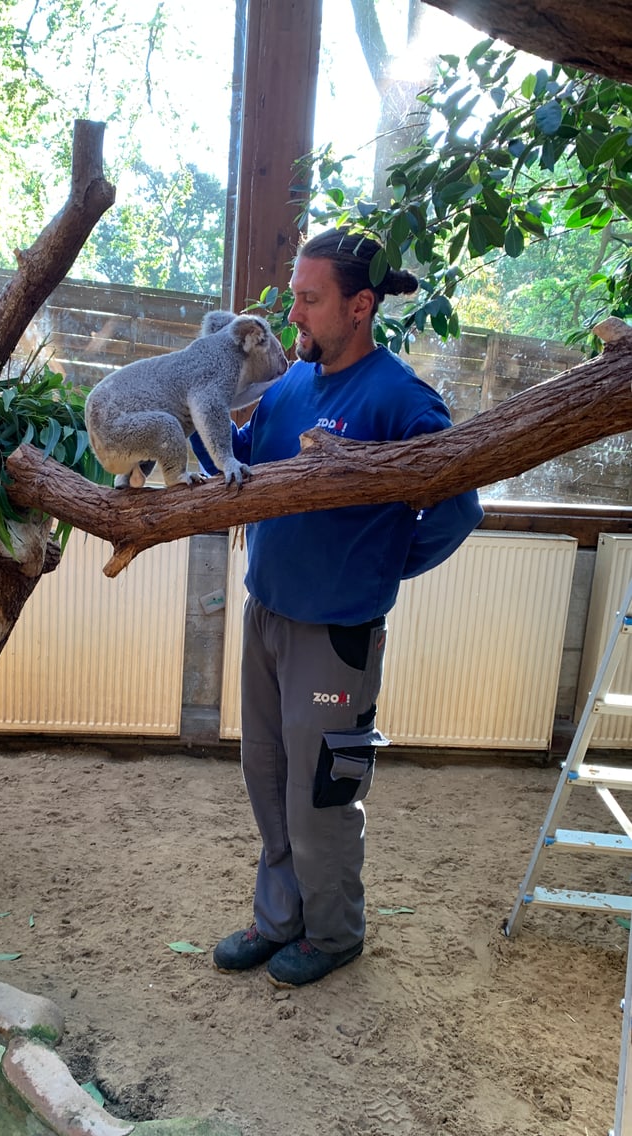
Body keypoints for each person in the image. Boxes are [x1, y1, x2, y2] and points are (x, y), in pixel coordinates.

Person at [203, 226, 484, 988]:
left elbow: (458, 510)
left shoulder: (402, 398)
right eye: (292, 296)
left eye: (308, 298)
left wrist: (376, 575)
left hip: (338, 635)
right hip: (266, 616)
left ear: (361, 306)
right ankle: (279, 917)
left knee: (324, 787)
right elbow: (239, 467)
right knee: (265, 774)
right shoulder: (290, 385)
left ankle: (334, 932)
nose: (292, 314)